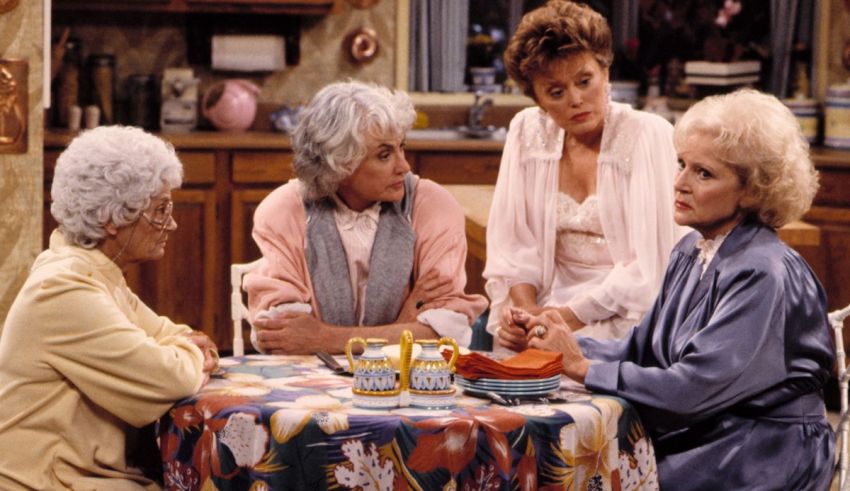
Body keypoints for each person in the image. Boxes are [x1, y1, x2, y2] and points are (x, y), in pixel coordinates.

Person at [522, 89, 834, 490]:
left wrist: (581, 367)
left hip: (761, 453)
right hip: (708, 439)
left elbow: (692, 389)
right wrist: (561, 345)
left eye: (704, 173)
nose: (680, 183)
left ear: (753, 190)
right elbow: (644, 351)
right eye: (682, 164)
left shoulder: (763, 272)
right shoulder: (692, 250)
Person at [0, 126, 219, 490]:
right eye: (161, 210)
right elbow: (171, 377)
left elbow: (174, 335)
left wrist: (184, 351)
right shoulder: (64, 288)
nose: (173, 223)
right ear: (112, 218)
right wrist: (188, 356)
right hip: (46, 482)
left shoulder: (96, 273)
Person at [484, 0, 684, 352]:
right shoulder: (527, 131)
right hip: (547, 305)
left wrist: (563, 318)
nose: (576, 99)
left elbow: (651, 266)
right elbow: (515, 245)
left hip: (629, 311)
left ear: (605, 72)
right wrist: (525, 313)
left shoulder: (647, 134)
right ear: (538, 100)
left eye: (585, 80)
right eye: (556, 92)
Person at [244, 80, 488, 354]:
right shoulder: (285, 210)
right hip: (312, 389)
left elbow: (445, 336)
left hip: (406, 382)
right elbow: (283, 339)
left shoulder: (433, 206)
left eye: (401, 147)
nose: (404, 166)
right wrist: (403, 326)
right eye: (384, 155)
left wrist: (323, 338)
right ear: (340, 164)